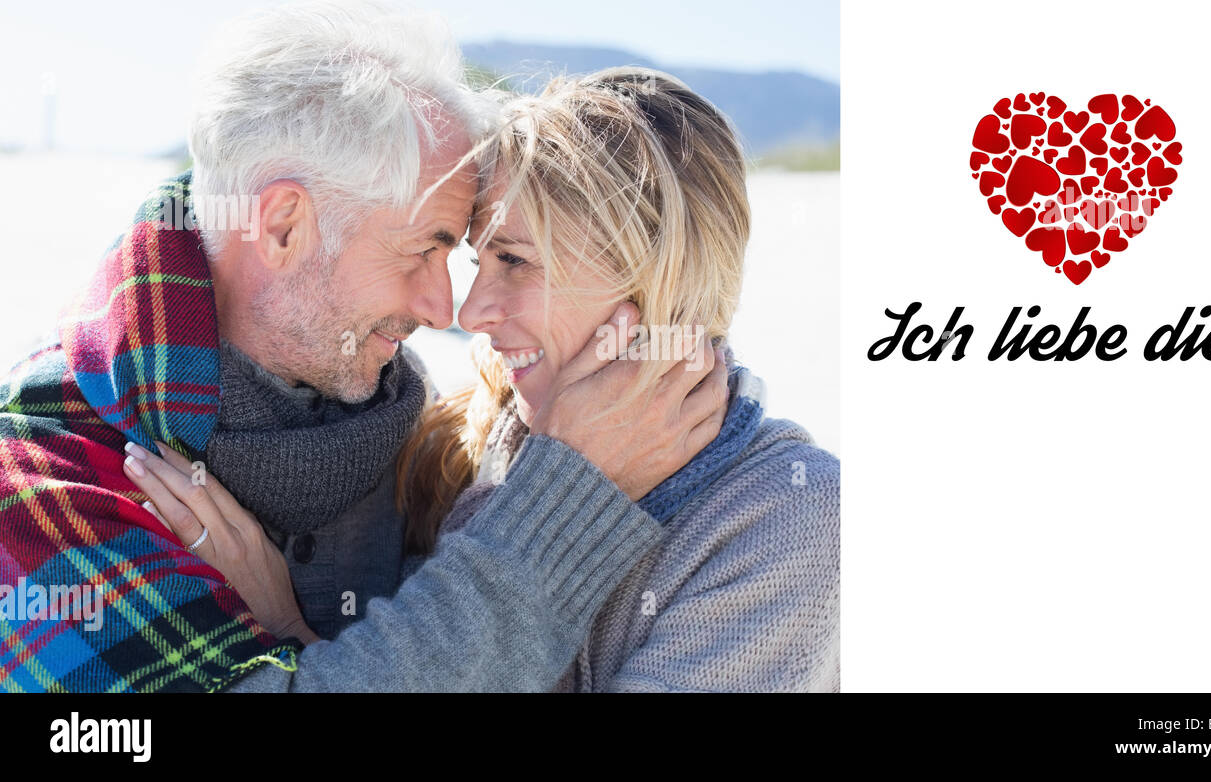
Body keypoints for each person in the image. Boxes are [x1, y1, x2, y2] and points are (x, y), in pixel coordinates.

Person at [0, 1, 725, 693]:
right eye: (422, 251)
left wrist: (290, 627)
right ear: (283, 227)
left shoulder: (413, 429)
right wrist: (566, 502)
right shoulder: (41, 475)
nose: (446, 309)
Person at [135, 67, 841, 691]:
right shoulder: (469, 441)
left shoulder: (788, 518)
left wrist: (291, 633)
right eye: (480, 261)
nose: (471, 312)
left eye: (516, 262)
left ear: (657, 278)